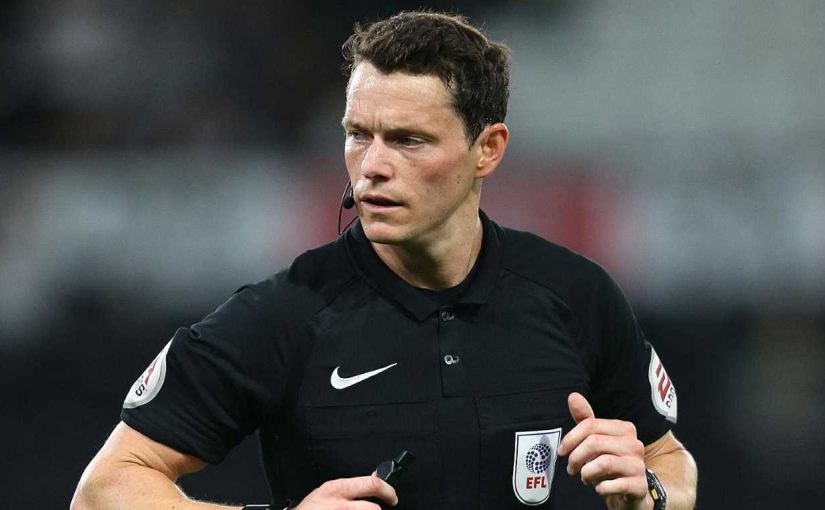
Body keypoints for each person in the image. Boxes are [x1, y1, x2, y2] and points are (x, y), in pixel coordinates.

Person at [72, 11, 697, 510]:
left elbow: (669, 460)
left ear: (488, 149)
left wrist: (652, 495)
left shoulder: (575, 296)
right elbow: (105, 489)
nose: (371, 166)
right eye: (357, 134)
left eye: (407, 140)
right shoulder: (284, 314)